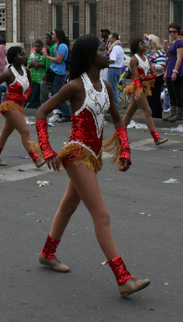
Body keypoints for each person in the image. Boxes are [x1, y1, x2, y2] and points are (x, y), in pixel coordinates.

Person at [35, 34, 150, 297]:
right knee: (102, 215)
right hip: (77, 154)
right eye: (101, 48)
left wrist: (125, 150)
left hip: (93, 156)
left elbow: (118, 120)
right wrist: (47, 148)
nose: (107, 50)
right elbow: (41, 112)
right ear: (89, 56)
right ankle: (123, 279)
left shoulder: (106, 86)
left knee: (68, 206)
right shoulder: (75, 86)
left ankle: (47, 253)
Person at [0, 46, 46, 168]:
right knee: (25, 131)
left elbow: (29, 86)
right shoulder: (9, 73)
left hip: (19, 106)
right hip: (9, 106)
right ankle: (36, 159)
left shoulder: (26, 71)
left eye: (24, 54)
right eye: (21, 54)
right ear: (14, 58)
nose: (25, 56)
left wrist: (25, 97)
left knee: (5, 132)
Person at [121, 37, 168, 146]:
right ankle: (156, 138)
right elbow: (136, 77)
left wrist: (146, 78)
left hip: (144, 87)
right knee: (148, 111)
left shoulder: (147, 59)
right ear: (136, 46)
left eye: (145, 43)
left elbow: (154, 74)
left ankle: (120, 135)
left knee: (130, 112)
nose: (145, 45)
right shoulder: (134, 59)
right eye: (142, 44)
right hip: (136, 88)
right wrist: (138, 91)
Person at [43, 29, 71, 122]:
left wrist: (47, 56)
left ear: (58, 36)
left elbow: (59, 60)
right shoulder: (57, 46)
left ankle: (66, 114)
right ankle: (59, 112)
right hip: (54, 71)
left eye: (54, 34)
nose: (52, 36)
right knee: (54, 94)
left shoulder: (62, 46)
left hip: (58, 73)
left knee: (59, 95)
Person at [164, 24, 183, 122]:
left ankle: (179, 114)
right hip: (169, 70)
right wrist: (166, 72)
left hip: (177, 71)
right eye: (170, 32)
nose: (172, 34)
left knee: (177, 92)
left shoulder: (180, 43)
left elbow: (179, 58)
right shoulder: (172, 44)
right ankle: (172, 112)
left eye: (174, 32)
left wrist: (175, 71)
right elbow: (169, 59)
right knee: (171, 93)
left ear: (178, 32)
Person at [146, 34, 167, 119]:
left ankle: (157, 115)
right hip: (150, 77)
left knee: (155, 96)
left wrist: (151, 66)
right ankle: (151, 113)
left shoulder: (159, 53)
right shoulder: (150, 53)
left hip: (157, 77)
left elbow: (162, 65)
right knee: (149, 97)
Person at [105, 32, 125, 107]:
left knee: (112, 88)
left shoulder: (116, 47)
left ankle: (113, 105)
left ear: (114, 38)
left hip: (113, 69)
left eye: (110, 38)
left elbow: (112, 60)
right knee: (114, 87)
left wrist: (104, 61)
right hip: (116, 69)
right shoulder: (119, 47)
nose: (109, 40)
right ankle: (114, 104)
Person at [27, 39, 47, 108]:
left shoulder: (44, 55)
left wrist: (40, 65)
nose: (37, 48)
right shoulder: (31, 55)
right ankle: (34, 106)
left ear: (42, 47)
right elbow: (28, 66)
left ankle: (41, 106)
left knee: (41, 94)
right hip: (34, 78)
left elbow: (47, 66)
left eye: (39, 46)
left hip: (41, 78)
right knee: (34, 93)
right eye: (36, 46)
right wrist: (31, 64)